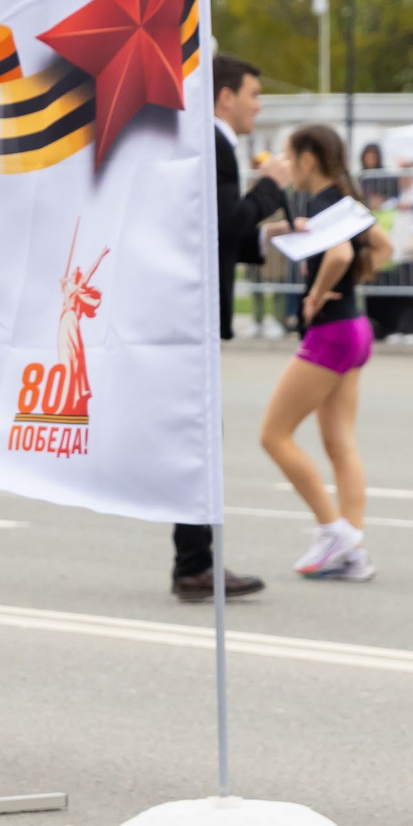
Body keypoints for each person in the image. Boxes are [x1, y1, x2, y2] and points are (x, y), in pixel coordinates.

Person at [258, 125, 387, 582]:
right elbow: (382, 248)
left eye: (290, 158)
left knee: (274, 435)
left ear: (308, 159)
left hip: (331, 331)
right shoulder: (347, 198)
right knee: (340, 444)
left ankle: (333, 530)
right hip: (356, 326)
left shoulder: (320, 203)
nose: (287, 167)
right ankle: (352, 548)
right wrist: (348, 287)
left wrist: (317, 294)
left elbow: (337, 256)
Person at [171, 54, 274, 602]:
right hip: (193, 313)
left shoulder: (210, 143)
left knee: (199, 436)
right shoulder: (214, 145)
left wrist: (267, 236)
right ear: (224, 96)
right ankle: (193, 565)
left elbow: (219, 233)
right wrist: (270, 189)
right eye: (253, 93)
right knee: (198, 438)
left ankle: (193, 561)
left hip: (190, 311)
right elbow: (221, 225)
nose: (258, 104)